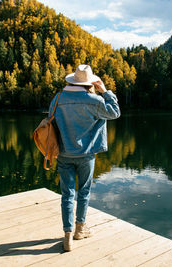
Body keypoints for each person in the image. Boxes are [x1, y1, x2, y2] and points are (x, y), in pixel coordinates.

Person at [48, 64, 120, 252]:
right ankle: (80, 229)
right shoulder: (94, 100)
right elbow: (115, 112)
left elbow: (51, 121)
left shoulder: (58, 99)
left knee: (67, 194)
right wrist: (104, 91)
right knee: (84, 192)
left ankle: (67, 236)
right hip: (86, 155)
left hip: (63, 154)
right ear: (89, 83)